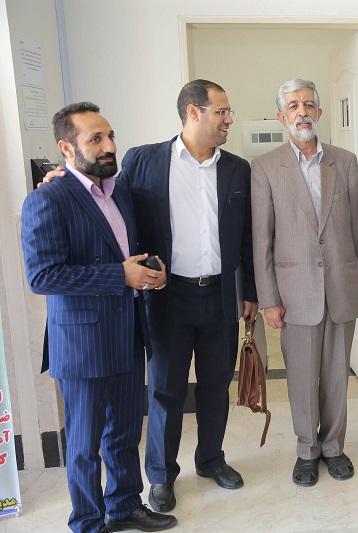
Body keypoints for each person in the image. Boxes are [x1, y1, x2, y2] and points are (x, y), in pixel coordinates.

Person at [21, 102, 176, 533]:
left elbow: (129, 252)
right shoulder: (48, 199)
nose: (109, 146)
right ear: (66, 148)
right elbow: (42, 275)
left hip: (127, 334)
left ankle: (124, 506)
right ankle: (88, 522)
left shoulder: (119, 192)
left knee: (124, 434)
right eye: (96, 139)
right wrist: (119, 275)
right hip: (82, 346)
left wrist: (151, 272)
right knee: (85, 445)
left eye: (110, 136)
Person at [119, 80, 258, 511]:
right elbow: (111, 205)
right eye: (221, 111)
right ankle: (161, 476)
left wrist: (250, 293)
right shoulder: (143, 161)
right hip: (167, 296)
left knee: (216, 385)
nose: (229, 119)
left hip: (220, 296)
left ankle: (211, 459)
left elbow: (248, 239)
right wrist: (61, 179)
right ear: (193, 113)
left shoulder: (237, 169)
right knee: (166, 390)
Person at [251, 79, 358, 487]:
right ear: (281, 117)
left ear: (319, 112)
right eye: (292, 106)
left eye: (308, 104)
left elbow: (357, 229)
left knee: (336, 375)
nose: (301, 112)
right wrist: (268, 299)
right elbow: (262, 240)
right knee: (301, 378)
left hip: (341, 287)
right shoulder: (265, 167)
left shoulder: (345, 161)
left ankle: (333, 447)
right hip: (294, 293)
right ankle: (307, 450)